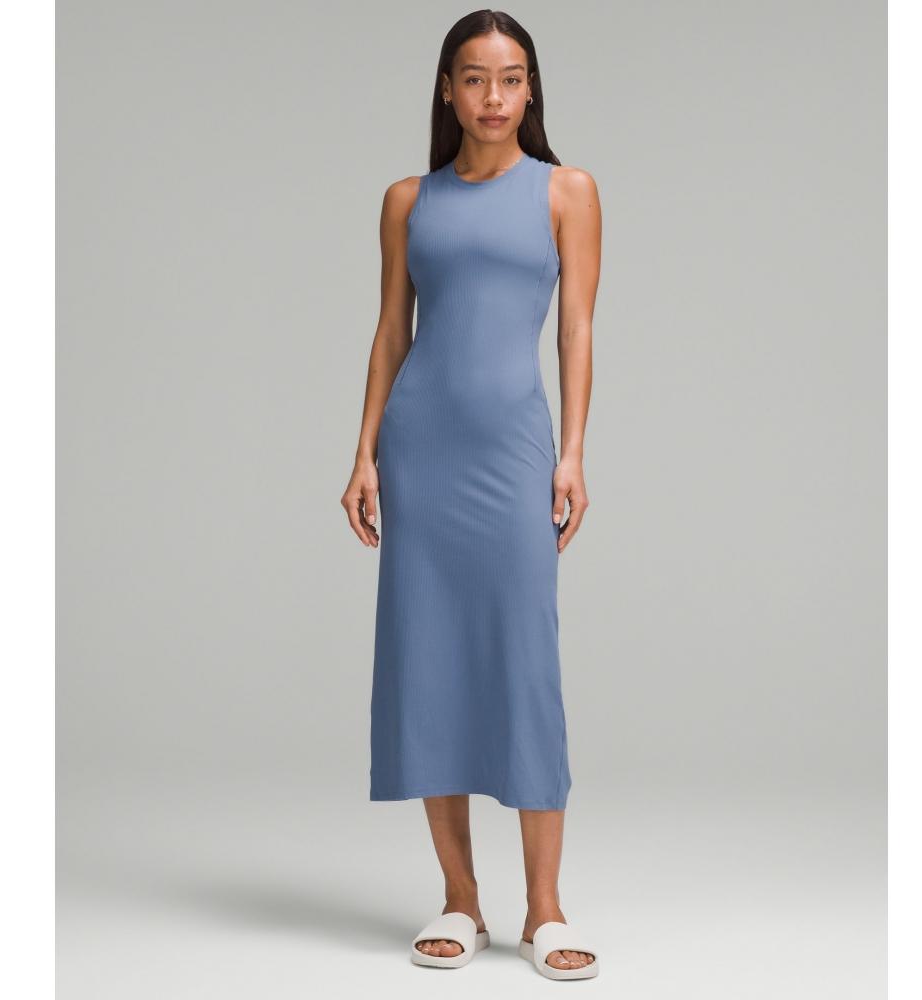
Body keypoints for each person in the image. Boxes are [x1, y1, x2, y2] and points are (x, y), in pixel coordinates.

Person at [340, 10, 601, 981]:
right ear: (447, 91)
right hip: (422, 455)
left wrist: (571, 455)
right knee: (429, 666)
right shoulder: (408, 200)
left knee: (525, 665)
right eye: (475, 78)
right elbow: (390, 332)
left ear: (531, 91)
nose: (494, 96)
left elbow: (576, 330)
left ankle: (545, 909)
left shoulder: (566, 191)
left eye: (511, 78)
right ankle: (460, 897)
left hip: (512, 453)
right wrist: (365, 454)